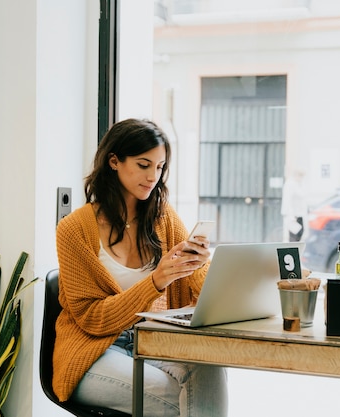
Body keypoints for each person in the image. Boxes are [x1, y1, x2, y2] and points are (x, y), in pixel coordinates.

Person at [53, 118, 228, 416]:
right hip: (93, 350)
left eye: (160, 168)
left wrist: (199, 266)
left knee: (207, 368)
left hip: (152, 340)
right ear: (114, 161)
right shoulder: (74, 230)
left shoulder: (163, 219)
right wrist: (155, 281)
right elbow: (92, 318)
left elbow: (194, 288)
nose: (153, 177)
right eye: (144, 165)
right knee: (184, 402)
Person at [281, 169, 308, 242]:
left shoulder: (299, 184)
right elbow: (288, 201)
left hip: (300, 214)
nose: (301, 178)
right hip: (293, 215)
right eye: (300, 176)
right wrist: (291, 215)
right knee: (294, 234)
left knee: (300, 233)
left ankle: (297, 249)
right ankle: (294, 250)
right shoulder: (290, 184)